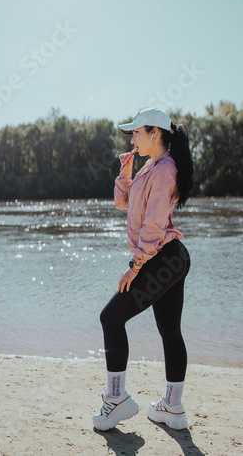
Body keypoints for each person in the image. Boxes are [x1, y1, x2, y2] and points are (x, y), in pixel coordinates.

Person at [93, 108, 194, 431]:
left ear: (155, 134)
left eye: (136, 132)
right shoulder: (151, 167)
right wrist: (126, 171)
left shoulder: (164, 171)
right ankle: (172, 407)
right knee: (169, 330)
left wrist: (135, 267)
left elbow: (152, 224)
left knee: (111, 317)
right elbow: (123, 203)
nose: (132, 138)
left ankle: (117, 399)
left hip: (162, 257)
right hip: (170, 256)